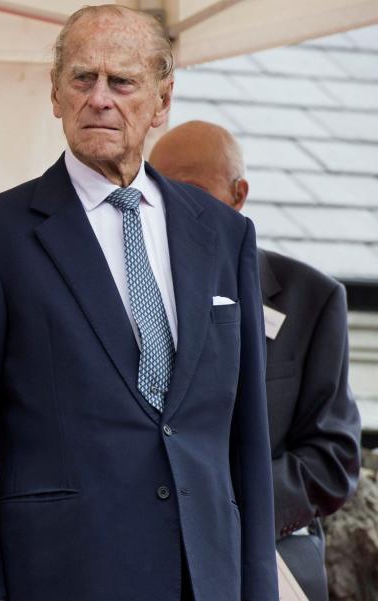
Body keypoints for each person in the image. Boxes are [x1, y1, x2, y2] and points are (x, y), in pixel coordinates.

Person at [0, 5, 279, 601]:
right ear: (56, 95)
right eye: (83, 79)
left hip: (207, 576)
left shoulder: (223, 234)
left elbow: (247, 439)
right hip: (62, 575)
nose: (100, 98)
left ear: (162, 101)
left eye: (123, 82)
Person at [149, 120, 361, 601]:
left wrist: (228, 510)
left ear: (238, 193)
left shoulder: (311, 300)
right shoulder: (134, 293)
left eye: (191, 191)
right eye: (158, 192)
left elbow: (333, 456)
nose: (172, 209)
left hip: (271, 560)